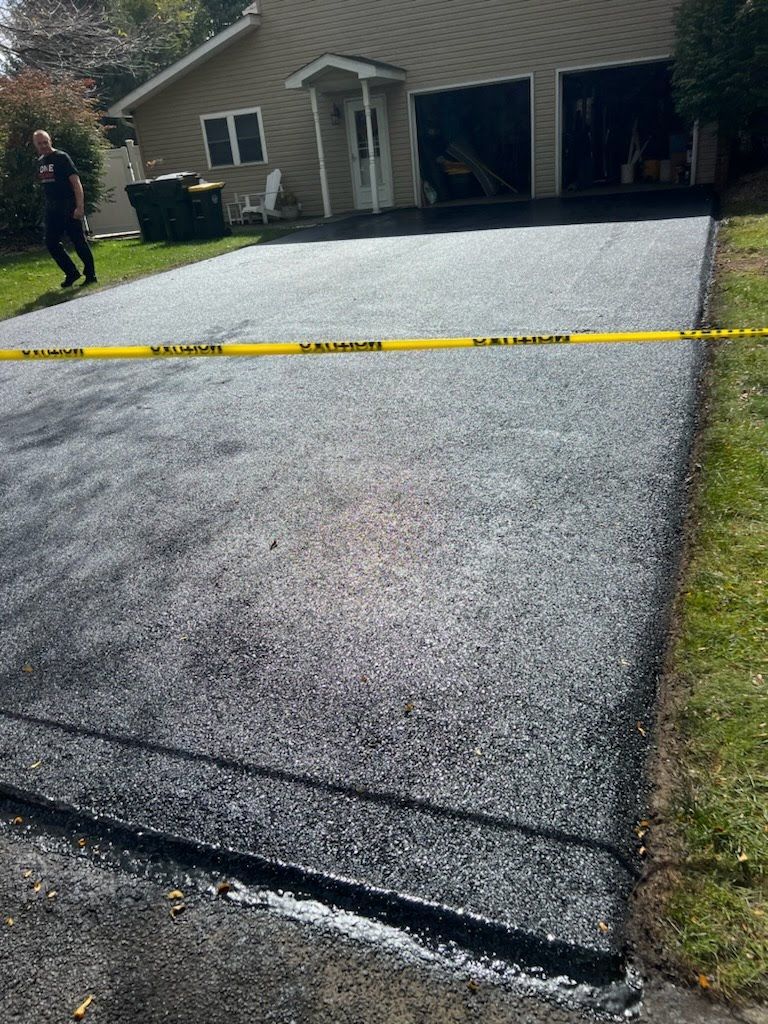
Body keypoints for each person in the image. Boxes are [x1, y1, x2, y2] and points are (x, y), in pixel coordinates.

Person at [33, 130, 97, 288]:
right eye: (40, 143)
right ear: (35, 145)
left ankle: (91, 275)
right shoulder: (40, 161)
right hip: (52, 208)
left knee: (78, 240)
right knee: (51, 243)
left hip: (68, 205)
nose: (43, 146)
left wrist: (79, 207)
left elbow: (76, 183)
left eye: (45, 142)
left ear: (50, 141)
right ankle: (71, 272)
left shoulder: (62, 158)